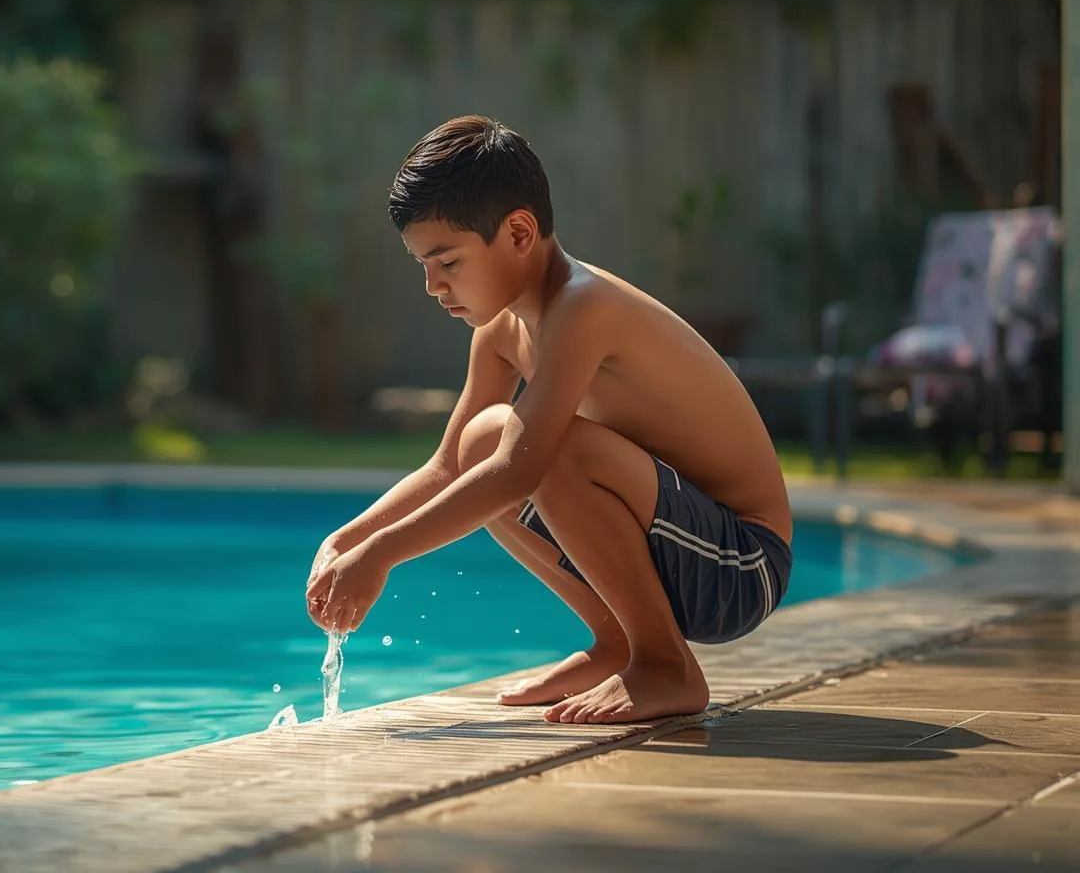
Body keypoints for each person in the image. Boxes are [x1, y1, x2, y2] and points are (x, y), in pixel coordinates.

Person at [304, 115, 793, 725]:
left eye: (447, 262)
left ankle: (665, 664)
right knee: (485, 438)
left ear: (517, 233)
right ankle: (618, 642)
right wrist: (347, 541)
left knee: (543, 447)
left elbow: (519, 471)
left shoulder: (582, 306)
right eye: (422, 266)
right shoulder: (500, 329)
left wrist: (380, 557)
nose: (432, 285)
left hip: (742, 566)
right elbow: (450, 466)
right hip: (684, 546)